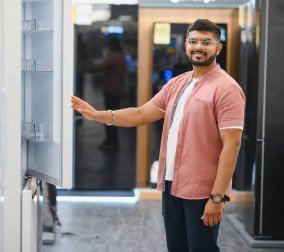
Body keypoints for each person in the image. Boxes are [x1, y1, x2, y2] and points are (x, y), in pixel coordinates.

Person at [71, 19, 245, 252]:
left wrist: (217, 198)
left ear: (218, 48)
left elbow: (231, 146)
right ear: (186, 45)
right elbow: (141, 113)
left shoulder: (227, 89)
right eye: (193, 41)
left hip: (202, 192)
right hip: (172, 187)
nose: (198, 47)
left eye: (206, 42)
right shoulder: (177, 84)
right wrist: (97, 115)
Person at [90, 36, 126, 150]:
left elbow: (101, 67)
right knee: (112, 115)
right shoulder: (120, 56)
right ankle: (110, 140)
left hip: (112, 90)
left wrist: (85, 67)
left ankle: (112, 142)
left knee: (110, 117)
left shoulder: (114, 57)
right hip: (116, 89)